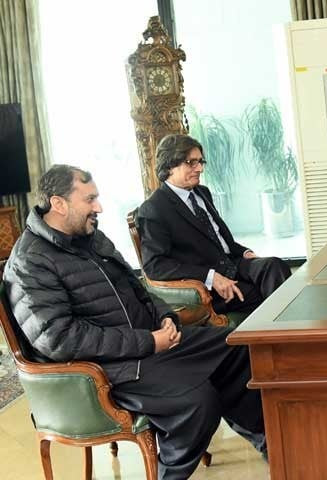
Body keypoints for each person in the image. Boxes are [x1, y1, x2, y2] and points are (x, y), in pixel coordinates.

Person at [3, 165, 265, 479]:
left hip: (148, 344)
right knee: (197, 402)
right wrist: (149, 341)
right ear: (59, 204)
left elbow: (138, 286)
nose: (98, 207)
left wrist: (165, 318)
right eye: (90, 199)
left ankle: (269, 443)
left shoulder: (92, 237)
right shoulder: (30, 262)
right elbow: (60, 340)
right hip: (105, 369)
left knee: (235, 345)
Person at [137, 134, 291, 317]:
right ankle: (285, 340)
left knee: (275, 266)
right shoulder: (154, 208)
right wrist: (210, 277)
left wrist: (244, 252)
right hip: (208, 284)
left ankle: (291, 334)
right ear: (170, 166)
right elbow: (156, 265)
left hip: (232, 263)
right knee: (263, 294)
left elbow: (217, 238)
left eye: (201, 162)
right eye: (191, 162)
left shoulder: (202, 193)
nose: (200, 168)